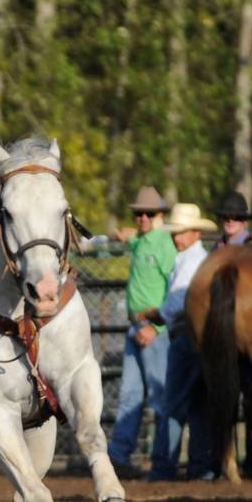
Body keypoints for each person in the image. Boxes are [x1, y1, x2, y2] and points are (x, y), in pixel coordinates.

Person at [140, 203, 216, 480]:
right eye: (176, 232)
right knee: (199, 404)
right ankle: (201, 466)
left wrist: (156, 314)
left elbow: (178, 302)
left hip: (185, 336)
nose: (176, 237)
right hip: (202, 338)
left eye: (182, 232)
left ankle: (163, 466)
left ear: (196, 233)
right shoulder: (199, 258)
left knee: (173, 403)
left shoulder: (189, 261)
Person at [106, 186, 177, 478]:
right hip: (136, 326)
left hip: (154, 330)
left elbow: (174, 289)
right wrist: (126, 235)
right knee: (130, 394)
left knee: (159, 397)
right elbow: (133, 238)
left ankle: (162, 464)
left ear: (160, 215)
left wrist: (157, 325)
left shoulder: (164, 244)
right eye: (139, 213)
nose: (143, 217)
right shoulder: (143, 240)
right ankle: (118, 458)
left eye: (149, 213)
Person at [211, 190, 252, 478]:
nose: (230, 221)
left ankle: (251, 459)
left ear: (244, 222)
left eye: (236, 217)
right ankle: (229, 459)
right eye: (227, 217)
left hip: (248, 336)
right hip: (223, 338)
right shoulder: (217, 250)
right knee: (231, 394)